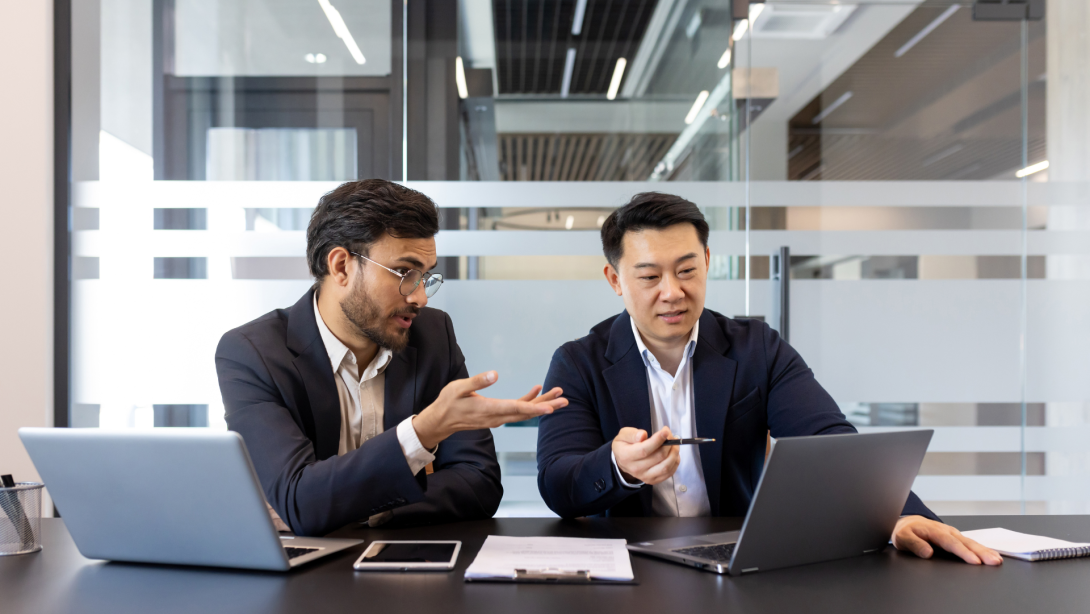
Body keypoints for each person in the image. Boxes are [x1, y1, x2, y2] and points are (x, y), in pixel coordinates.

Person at [536, 192, 1002, 566]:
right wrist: (618, 466)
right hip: (625, 564)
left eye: (686, 271)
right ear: (615, 280)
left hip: (738, 558)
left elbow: (828, 442)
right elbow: (559, 484)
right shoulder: (578, 363)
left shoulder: (757, 347)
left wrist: (899, 516)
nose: (672, 292)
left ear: (707, 261)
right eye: (649, 277)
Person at [216, 179, 566, 536]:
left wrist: (364, 510)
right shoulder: (253, 352)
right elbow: (300, 500)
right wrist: (423, 432)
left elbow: (479, 484)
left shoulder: (433, 335)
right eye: (404, 273)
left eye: (425, 277)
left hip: (406, 568)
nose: (420, 298)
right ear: (341, 266)